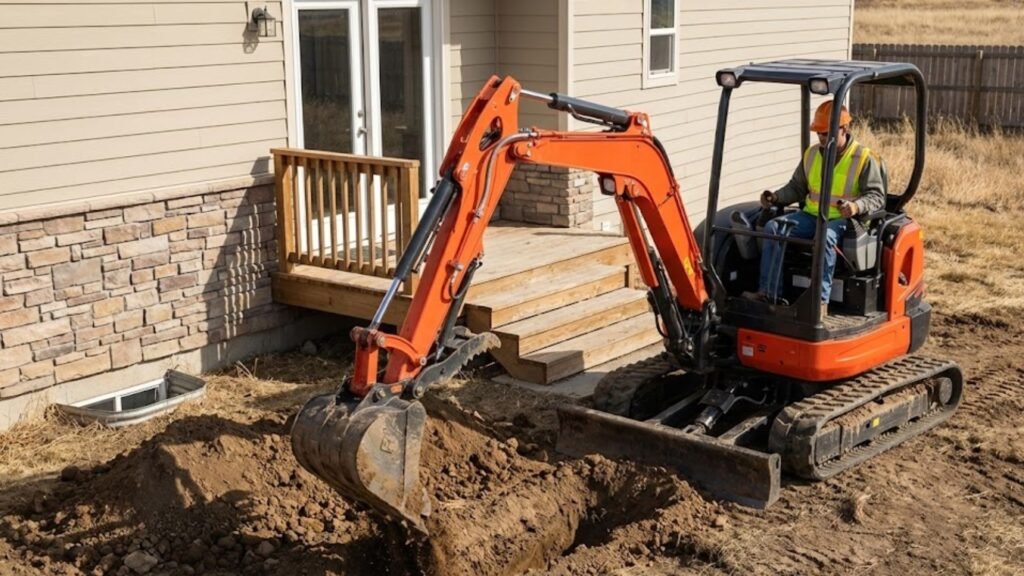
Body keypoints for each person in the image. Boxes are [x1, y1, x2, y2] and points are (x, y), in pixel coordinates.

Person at [742, 100, 885, 317]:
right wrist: (777, 197)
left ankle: (819, 302)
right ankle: (768, 294)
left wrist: (856, 207)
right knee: (774, 227)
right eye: (819, 133)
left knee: (825, 236)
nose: (822, 138)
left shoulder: (864, 158)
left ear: (843, 128)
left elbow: (876, 196)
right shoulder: (811, 155)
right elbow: (797, 187)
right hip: (811, 215)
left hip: (845, 222)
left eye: (826, 133)